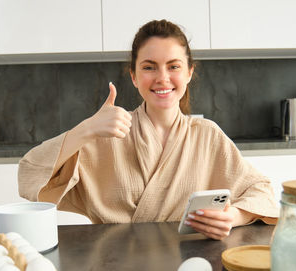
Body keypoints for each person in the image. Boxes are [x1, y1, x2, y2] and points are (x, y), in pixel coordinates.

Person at [18, 19, 278, 240]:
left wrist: (233, 216)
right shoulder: (104, 135)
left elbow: (261, 191)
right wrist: (85, 130)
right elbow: (29, 174)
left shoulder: (207, 135)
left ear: (189, 73)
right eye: (149, 67)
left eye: (173, 66)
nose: (162, 78)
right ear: (133, 75)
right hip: (113, 262)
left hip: (187, 262)